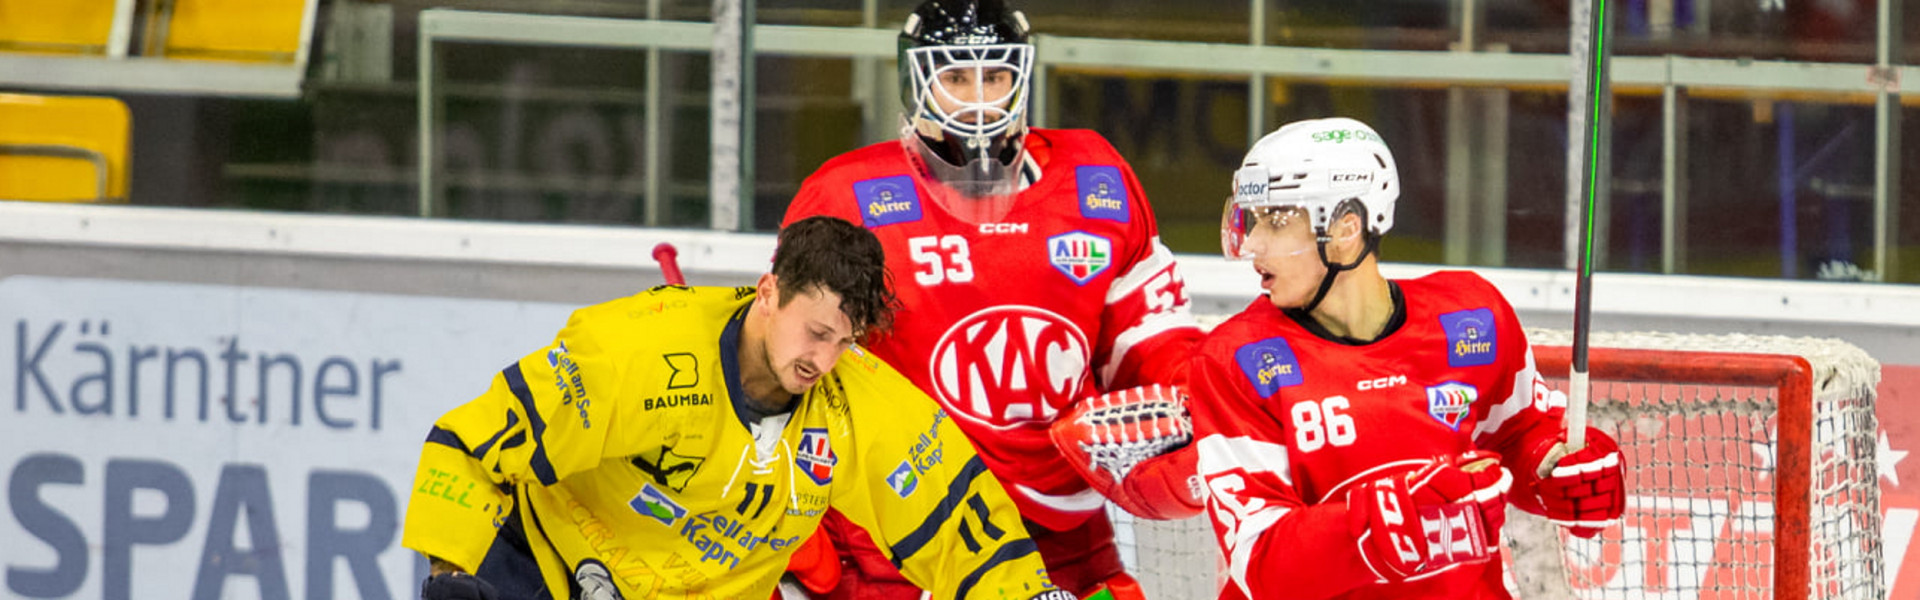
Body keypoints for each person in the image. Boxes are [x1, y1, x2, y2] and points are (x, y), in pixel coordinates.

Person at [400, 216, 1075, 600]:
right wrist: (449, 575)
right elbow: (466, 443)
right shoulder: (634, 354)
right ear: (768, 293)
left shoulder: (857, 403)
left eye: (846, 341)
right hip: (543, 569)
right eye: (815, 331)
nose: (826, 359)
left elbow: (960, 521)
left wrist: (1028, 596)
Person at [778, 0, 1206, 597]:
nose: (979, 96)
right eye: (956, 77)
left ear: (1022, 78)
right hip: (902, 540)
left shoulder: (1096, 179)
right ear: (917, 80)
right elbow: (787, 366)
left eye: (995, 76)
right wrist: (790, 526)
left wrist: (1195, 408)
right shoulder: (847, 196)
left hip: (1063, 531)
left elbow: (1150, 336)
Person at [1188, 117, 1627, 600]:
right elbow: (1261, 564)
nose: (1252, 243)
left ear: (1345, 227)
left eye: (1275, 221)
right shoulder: (1237, 360)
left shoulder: (1470, 316)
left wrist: (1557, 470)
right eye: (1252, 221)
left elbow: (1521, 433)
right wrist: (1387, 523)